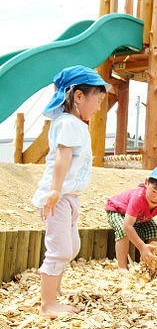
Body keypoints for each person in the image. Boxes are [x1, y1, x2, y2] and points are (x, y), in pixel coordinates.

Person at [31, 65, 109, 317]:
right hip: (58, 197)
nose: (98, 107)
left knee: (71, 246)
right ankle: (47, 305)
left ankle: (54, 289)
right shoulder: (68, 123)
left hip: (69, 196)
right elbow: (62, 158)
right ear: (78, 96)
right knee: (60, 249)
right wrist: (55, 191)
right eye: (96, 100)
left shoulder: (74, 123)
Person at [105, 165, 157, 272]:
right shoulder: (138, 198)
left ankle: (150, 262)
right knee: (122, 230)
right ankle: (122, 267)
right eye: (153, 191)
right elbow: (127, 225)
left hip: (140, 217)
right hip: (118, 211)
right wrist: (141, 246)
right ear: (146, 183)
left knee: (154, 232)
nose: (156, 198)